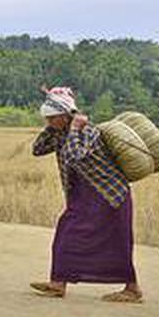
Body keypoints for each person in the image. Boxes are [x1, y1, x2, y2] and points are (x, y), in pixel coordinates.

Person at [30, 87, 142, 303]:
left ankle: (133, 288)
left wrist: (73, 128)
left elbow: (74, 156)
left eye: (53, 117)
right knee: (66, 232)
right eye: (48, 118)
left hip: (109, 196)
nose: (49, 121)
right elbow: (37, 149)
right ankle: (58, 282)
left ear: (66, 115)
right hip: (83, 196)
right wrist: (52, 128)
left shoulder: (88, 131)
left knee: (117, 242)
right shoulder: (58, 133)